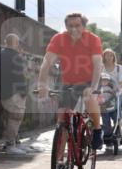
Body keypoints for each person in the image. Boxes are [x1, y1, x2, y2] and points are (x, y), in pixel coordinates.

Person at [37, 12, 105, 153]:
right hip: (67, 81)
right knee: (62, 120)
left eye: (77, 26)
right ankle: (59, 162)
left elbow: (98, 64)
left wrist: (92, 87)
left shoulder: (93, 39)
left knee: (89, 97)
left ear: (84, 26)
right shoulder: (59, 39)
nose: (73, 29)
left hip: (90, 78)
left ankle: (98, 129)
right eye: (70, 26)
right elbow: (47, 61)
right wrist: (42, 84)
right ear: (66, 26)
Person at [0, 33, 29, 154]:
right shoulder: (16, 57)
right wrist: (23, 92)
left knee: (9, 118)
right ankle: (11, 145)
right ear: (15, 43)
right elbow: (20, 76)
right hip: (15, 93)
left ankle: (14, 142)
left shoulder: (0, 55)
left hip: (4, 93)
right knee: (15, 118)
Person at [100, 49, 122, 144]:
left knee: (117, 116)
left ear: (113, 57)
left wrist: (116, 87)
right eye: (107, 55)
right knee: (105, 116)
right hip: (104, 95)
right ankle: (107, 134)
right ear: (104, 57)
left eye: (111, 55)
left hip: (116, 95)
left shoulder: (119, 68)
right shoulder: (101, 68)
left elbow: (121, 81)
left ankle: (118, 131)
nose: (109, 57)